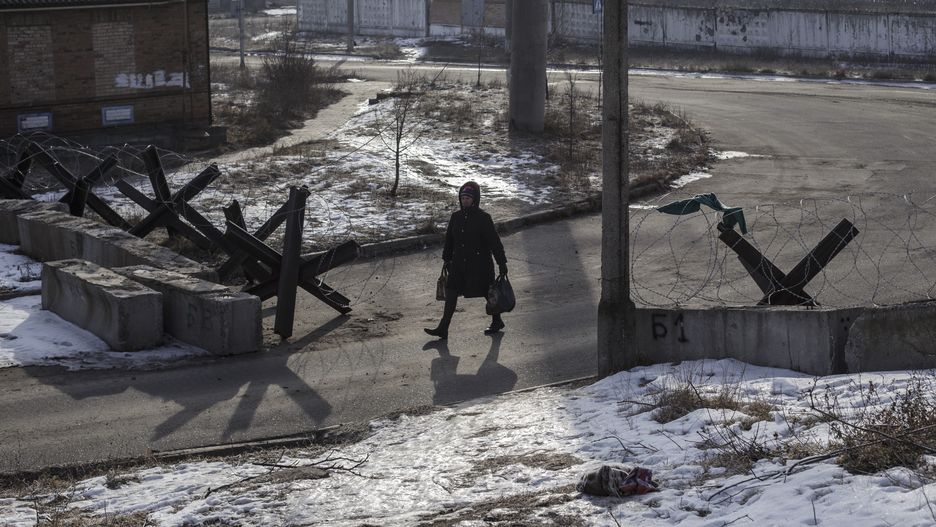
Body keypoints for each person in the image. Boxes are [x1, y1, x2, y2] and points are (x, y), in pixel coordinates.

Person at [425, 181, 508, 340]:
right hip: (458, 264)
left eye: (468, 198)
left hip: (480, 265)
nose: (465, 201)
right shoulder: (455, 217)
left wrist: (502, 263)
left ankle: (497, 320)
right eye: (463, 198)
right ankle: (443, 328)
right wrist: (446, 259)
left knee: (487, 292)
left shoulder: (484, 218)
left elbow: (494, 242)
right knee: (451, 292)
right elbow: (449, 240)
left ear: (475, 199)